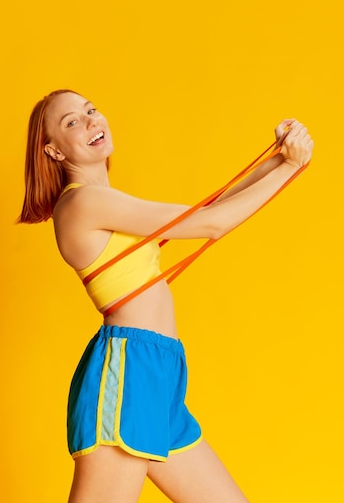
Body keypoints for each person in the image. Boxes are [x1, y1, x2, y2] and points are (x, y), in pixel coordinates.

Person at [18, 89, 313, 503]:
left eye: (90, 110)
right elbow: (211, 224)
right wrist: (292, 167)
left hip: (159, 371)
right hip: (128, 372)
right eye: (71, 122)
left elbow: (205, 211)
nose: (89, 122)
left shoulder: (107, 202)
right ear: (53, 151)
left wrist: (279, 158)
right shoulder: (83, 202)